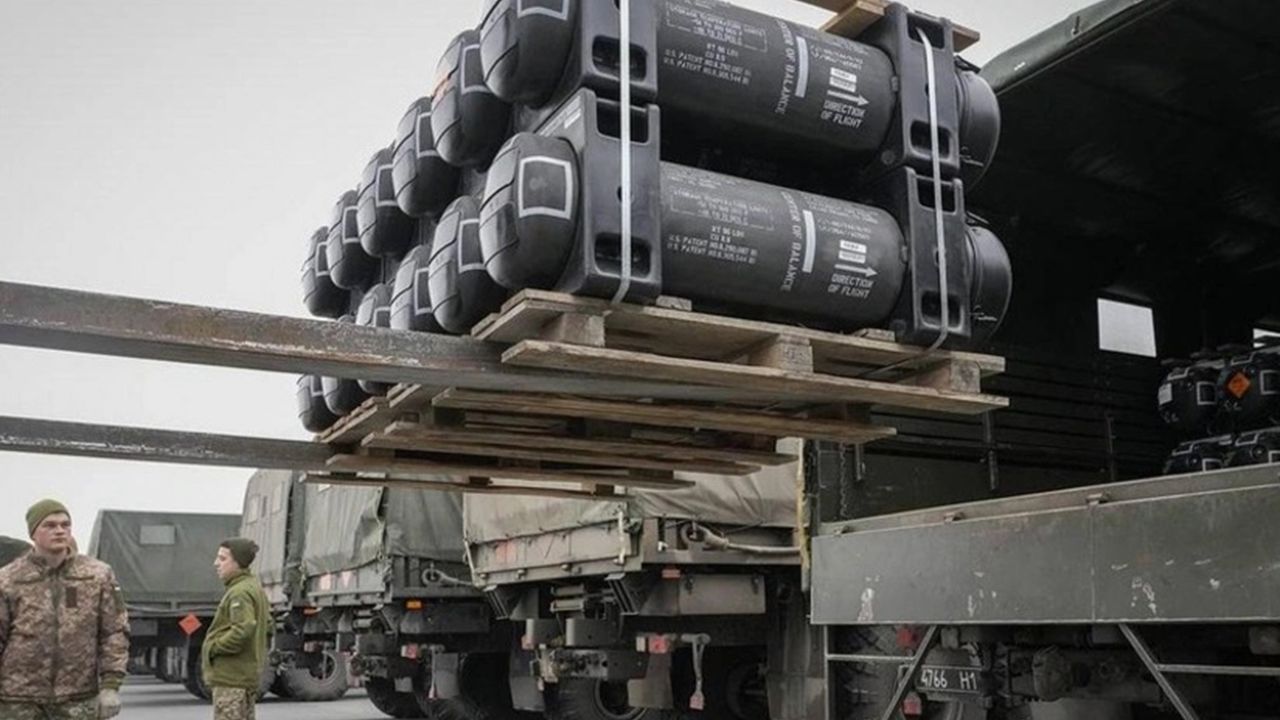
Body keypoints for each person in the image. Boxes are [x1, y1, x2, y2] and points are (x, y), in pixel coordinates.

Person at [0, 499, 129, 720]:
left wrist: (111, 686)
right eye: (50, 525)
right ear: (33, 533)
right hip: (18, 701)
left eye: (65, 525)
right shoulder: (9, 579)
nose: (59, 531)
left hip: (77, 701)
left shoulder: (96, 575)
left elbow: (114, 632)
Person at [203, 538, 271, 720]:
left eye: (223, 558)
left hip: (232, 679)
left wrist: (214, 647)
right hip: (243, 678)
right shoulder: (253, 587)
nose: (216, 563)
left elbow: (243, 629)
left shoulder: (239, 592)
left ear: (238, 562)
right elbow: (268, 625)